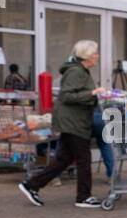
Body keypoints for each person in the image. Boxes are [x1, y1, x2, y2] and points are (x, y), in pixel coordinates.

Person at [18, 40, 107, 209]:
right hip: (73, 122)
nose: (97, 56)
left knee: (63, 159)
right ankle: (83, 197)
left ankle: (31, 185)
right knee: (83, 159)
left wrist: (93, 95)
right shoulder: (76, 72)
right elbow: (66, 96)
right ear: (87, 56)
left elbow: (75, 94)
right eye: (95, 53)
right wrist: (92, 93)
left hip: (71, 121)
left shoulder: (81, 71)